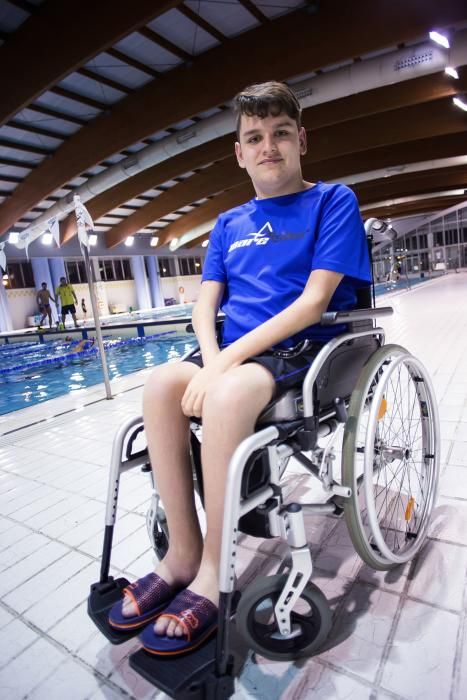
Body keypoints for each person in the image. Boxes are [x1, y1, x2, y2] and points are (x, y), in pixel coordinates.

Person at [108, 81, 372, 655]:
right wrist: (208, 358)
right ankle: (182, 553)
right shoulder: (229, 223)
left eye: (280, 133)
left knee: (226, 398)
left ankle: (212, 572)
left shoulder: (333, 201)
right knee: (160, 387)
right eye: (255, 137)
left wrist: (222, 366)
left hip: (300, 349)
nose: (268, 146)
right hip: (231, 348)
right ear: (240, 151)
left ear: (301, 139)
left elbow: (312, 302)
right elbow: (205, 305)